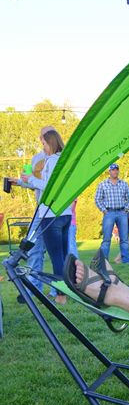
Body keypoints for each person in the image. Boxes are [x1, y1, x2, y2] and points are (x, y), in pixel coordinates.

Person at [21, 129, 72, 304]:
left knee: (56, 256)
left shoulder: (51, 161)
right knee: (64, 255)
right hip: (65, 213)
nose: (43, 147)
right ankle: (69, 289)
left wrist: (30, 180)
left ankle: (61, 295)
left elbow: (48, 186)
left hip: (51, 215)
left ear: (50, 143)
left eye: (43, 143)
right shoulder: (64, 160)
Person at [9, 126, 51, 298]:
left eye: (49, 136)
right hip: (40, 209)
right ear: (40, 138)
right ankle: (34, 289)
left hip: (57, 210)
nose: (45, 139)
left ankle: (60, 291)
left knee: (61, 251)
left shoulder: (60, 158)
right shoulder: (36, 159)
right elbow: (33, 183)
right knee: (33, 246)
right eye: (43, 136)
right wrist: (19, 182)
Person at [95, 163, 129, 263]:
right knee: (106, 239)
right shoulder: (103, 184)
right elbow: (97, 199)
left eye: (116, 169)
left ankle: (126, 260)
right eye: (113, 170)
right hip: (109, 213)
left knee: (124, 239)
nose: (115, 171)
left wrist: (126, 208)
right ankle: (103, 262)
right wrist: (103, 210)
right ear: (109, 171)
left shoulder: (124, 184)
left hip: (122, 212)